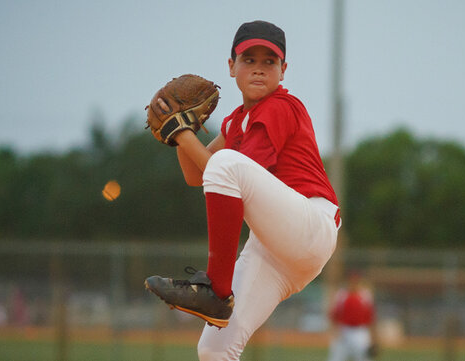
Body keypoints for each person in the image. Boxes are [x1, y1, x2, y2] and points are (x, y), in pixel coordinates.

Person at [144, 20, 340, 360]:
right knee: (214, 348)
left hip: (311, 225)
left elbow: (223, 170)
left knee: (227, 165)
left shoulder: (281, 107)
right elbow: (196, 173)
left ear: (284, 70)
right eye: (249, 60)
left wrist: (185, 133)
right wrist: (181, 132)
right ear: (231, 66)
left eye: (270, 61)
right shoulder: (236, 121)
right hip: (274, 248)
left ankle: (215, 292)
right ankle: (216, 297)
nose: (260, 69)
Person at [327, 272, 377, 361]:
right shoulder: (341, 295)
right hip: (344, 330)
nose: (354, 283)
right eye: (352, 281)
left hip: (360, 332)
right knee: (336, 358)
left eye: (356, 281)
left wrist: (374, 337)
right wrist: (335, 331)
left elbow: (371, 317)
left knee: (364, 358)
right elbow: (334, 315)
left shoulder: (365, 296)